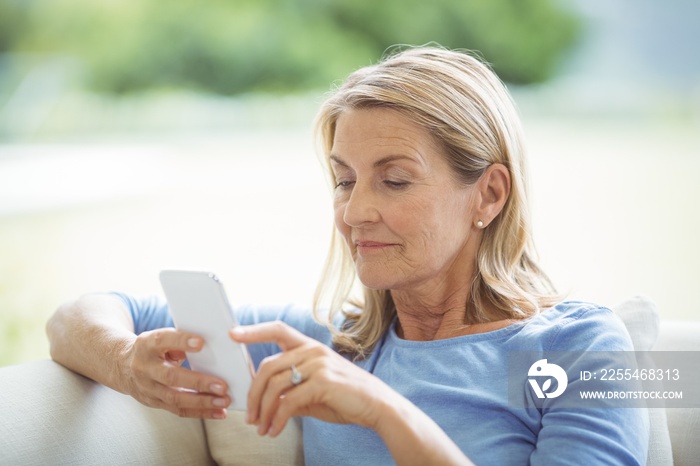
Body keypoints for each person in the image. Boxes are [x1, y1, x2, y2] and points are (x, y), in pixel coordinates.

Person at [47, 46, 649, 465]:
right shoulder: (335, 344)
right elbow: (77, 316)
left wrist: (384, 411)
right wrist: (126, 362)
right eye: (344, 180)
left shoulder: (581, 348)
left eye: (394, 180)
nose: (354, 212)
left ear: (487, 194)